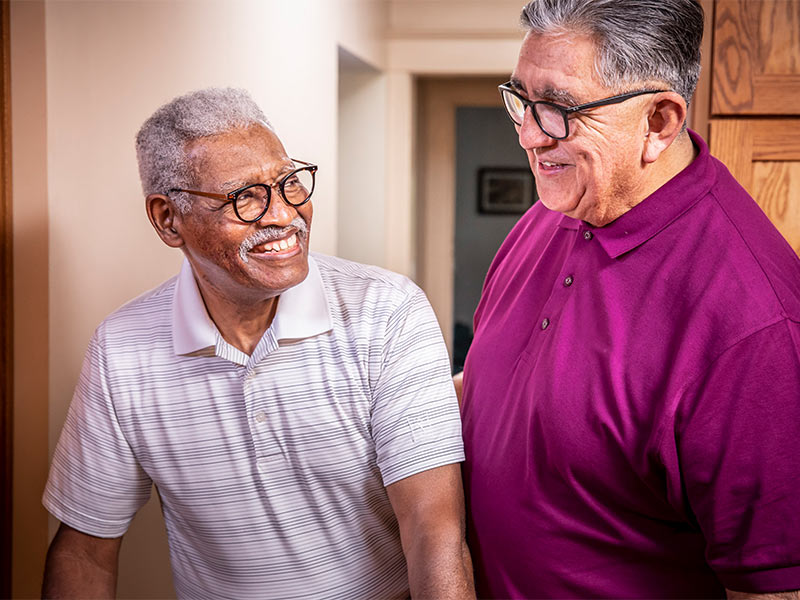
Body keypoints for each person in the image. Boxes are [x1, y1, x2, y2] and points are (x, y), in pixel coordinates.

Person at [42, 87, 474, 600]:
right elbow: (84, 550)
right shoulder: (120, 350)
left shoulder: (388, 313)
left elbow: (435, 532)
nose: (284, 215)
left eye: (290, 183)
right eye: (244, 197)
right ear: (167, 219)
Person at [459, 0, 800, 598]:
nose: (530, 136)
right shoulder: (556, 207)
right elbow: (493, 386)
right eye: (521, 99)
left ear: (660, 123)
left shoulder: (755, 324)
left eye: (560, 109)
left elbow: (771, 589)